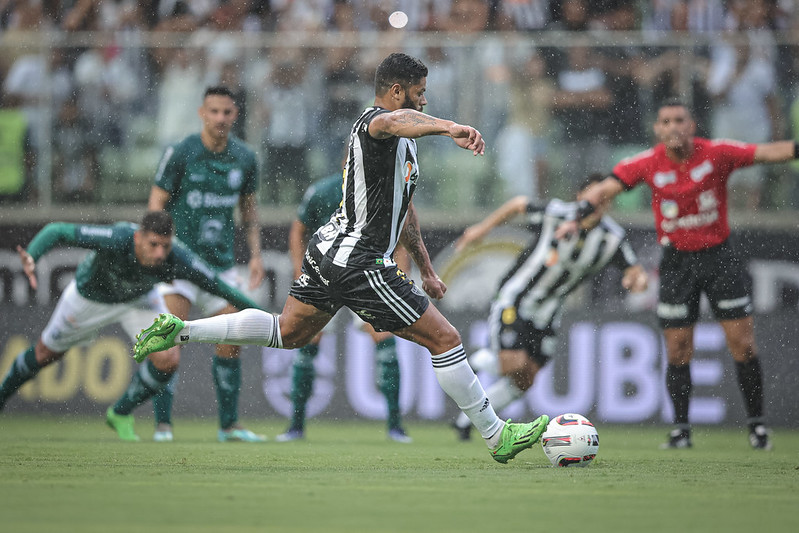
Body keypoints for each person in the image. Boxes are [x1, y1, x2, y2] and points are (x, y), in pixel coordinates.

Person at [134, 52, 550, 464]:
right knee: (446, 340)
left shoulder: (404, 147)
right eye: (419, 94)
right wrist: (451, 127)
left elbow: (404, 213)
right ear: (396, 91)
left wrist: (426, 268)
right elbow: (393, 120)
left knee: (289, 332)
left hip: (331, 250)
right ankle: (497, 435)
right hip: (359, 259)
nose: (424, 102)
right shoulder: (373, 122)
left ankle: (181, 330)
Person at [556, 98, 799, 450]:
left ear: (692, 125)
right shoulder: (646, 163)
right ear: (657, 129)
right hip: (676, 263)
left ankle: (757, 426)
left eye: (679, 120)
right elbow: (604, 189)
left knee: (743, 345)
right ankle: (681, 431)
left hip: (719, 258)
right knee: (678, 349)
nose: (672, 127)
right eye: (666, 121)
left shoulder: (717, 154)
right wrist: (576, 217)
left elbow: (767, 152)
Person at [0, 211, 261, 444]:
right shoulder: (118, 237)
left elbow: (220, 287)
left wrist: (271, 318)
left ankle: (120, 412)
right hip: (90, 298)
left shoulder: (178, 257)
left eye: (165, 246)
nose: (160, 253)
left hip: (140, 300)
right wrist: (32, 255)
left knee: (168, 357)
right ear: (138, 238)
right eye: (153, 245)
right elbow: (57, 230)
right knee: (46, 353)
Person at [451, 174, 649, 440]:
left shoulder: (612, 239)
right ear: (580, 198)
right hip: (518, 297)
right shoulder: (558, 214)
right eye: (593, 197)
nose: (598, 204)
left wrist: (637, 280)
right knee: (514, 361)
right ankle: (478, 359)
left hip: (550, 311)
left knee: (526, 378)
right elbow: (518, 204)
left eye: (604, 199)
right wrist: (481, 229)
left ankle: (465, 421)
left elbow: (635, 271)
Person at [143, 85, 265, 443]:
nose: (220, 119)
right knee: (167, 341)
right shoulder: (182, 152)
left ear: (235, 115)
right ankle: (163, 425)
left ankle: (228, 426)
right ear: (202, 113)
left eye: (227, 113)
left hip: (219, 266)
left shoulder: (245, 157)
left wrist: (256, 254)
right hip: (179, 263)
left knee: (233, 338)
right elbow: (156, 203)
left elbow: (249, 211)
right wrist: (156, 249)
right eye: (214, 112)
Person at [275, 172, 412, 443]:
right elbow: (298, 230)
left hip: (367, 278)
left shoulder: (380, 191)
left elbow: (401, 240)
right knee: (307, 341)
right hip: (325, 276)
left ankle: (396, 426)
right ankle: (296, 425)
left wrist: (401, 276)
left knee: (385, 343)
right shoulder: (323, 192)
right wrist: (298, 270)